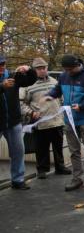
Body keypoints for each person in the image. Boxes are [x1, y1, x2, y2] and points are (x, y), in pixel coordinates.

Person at [45, 54, 84, 192]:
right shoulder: (64, 75)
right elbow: (58, 89)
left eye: (71, 69)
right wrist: (50, 95)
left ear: (78, 65)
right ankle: (77, 179)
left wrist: (83, 106)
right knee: (74, 152)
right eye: (66, 69)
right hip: (69, 120)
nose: (69, 72)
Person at [19, 57, 71, 179]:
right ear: (34, 70)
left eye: (44, 68)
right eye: (39, 68)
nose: (42, 70)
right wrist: (30, 113)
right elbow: (21, 103)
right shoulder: (28, 84)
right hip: (40, 122)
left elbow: (61, 98)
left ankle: (60, 167)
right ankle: (42, 169)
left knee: (58, 146)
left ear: (47, 68)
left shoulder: (54, 82)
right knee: (41, 147)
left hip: (56, 120)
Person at [0, 54, 37, 190]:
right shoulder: (4, 81)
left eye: (3, 64)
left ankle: (18, 179)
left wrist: (28, 69)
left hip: (13, 121)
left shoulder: (12, 76)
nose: (2, 68)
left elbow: (31, 80)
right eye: (0, 65)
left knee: (18, 151)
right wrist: (2, 87)